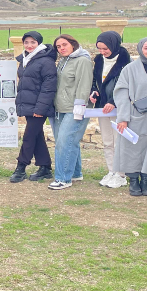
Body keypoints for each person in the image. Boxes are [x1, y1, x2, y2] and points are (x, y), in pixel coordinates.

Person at [114, 37, 147, 197]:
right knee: (132, 148)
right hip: (134, 115)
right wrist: (123, 117)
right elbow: (121, 93)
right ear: (140, 50)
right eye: (146, 48)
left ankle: (146, 180)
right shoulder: (129, 69)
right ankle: (134, 181)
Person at [11, 31, 58, 183]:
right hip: (28, 104)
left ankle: (21, 167)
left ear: (39, 43)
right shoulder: (25, 59)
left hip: (39, 106)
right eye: (26, 42)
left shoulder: (46, 61)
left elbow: (48, 87)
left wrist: (40, 108)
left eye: (33, 42)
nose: (29, 45)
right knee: (37, 136)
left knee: (28, 137)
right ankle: (45, 167)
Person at [49, 34, 93, 190]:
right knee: (70, 141)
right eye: (58, 47)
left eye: (64, 44)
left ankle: (63, 178)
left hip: (74, 109)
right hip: (60, 107)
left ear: (73, 44)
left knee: (63, 142)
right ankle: (75, 173)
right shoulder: (62, 61)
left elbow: (84, 84)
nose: (61, 48)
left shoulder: (83, 61)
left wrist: (80, 107)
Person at [90, 31, 131, 189]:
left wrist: (114, 101)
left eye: (105, 49)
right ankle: (111, 171)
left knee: (118, 141)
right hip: (102, 107)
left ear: (114, 45)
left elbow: (127, 85)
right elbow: (96, 80)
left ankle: (121, 174)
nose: (102, 52)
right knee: (107, 141)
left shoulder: (125, 61)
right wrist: (94, 92)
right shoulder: (99, 60)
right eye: (99, 48)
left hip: (118, 108)